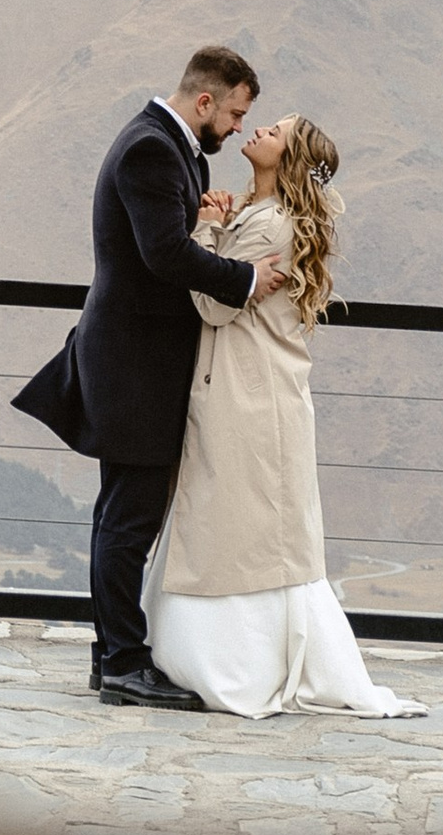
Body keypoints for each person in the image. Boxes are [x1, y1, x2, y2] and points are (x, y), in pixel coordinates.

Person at [12, 48, 285, 708]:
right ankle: (125, 664)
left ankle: (112, 658)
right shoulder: (151, 150)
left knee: (123, 515)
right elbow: (162, 254)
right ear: (205, 102)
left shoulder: (173, 148)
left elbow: (165, 235)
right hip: (133, 366)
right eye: (235, 112)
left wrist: (206, 222)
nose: (237, 127)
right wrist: (247, 279)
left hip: (136, 362)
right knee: (129, 518)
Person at [144, 113, 427, 719]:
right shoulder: (261, 213)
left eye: (274, 129)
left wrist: (202, 232)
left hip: (248, 397)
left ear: (290, 156)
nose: (260, 130)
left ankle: (237, 666)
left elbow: (213, 306)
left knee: (237, 522)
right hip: (257, 392)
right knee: (247, 522)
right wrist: (220, 231)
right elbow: (228, 287)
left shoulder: (271, 224)